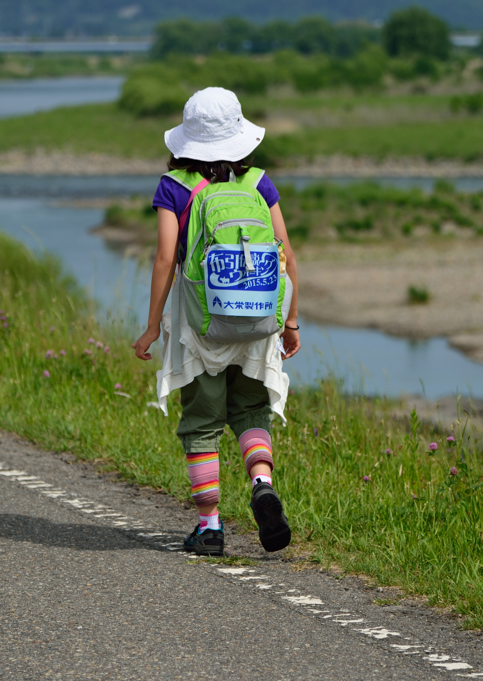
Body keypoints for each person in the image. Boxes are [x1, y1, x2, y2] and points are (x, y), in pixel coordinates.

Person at [132, 87, 301, 556]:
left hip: (200, 322)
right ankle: (262, 484)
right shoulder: (258, 183)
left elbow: (167, 257)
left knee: (202, 422)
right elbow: (286, 253)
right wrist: (290, 322)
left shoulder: (175, 187)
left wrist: (151, 327)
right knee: (251, 411)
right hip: (257, 321)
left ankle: (209, 527)